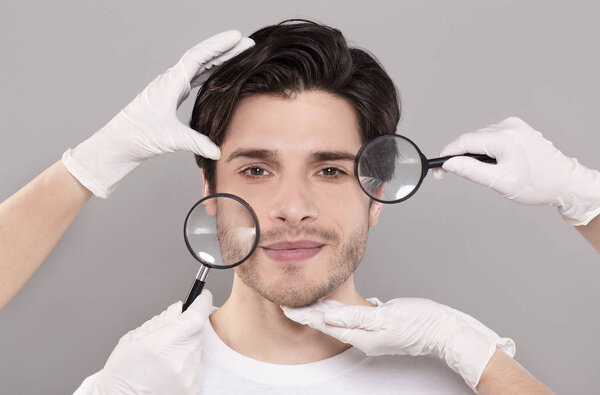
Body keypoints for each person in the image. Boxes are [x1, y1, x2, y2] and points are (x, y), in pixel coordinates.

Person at [0, 18, 595, 393]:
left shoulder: (470, 374)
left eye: (331, 169)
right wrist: (90, 162)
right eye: (257, 169)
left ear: (378, 193)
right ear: (210, 194)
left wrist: (585, 197)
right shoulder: (141, 379)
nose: (292, 206)